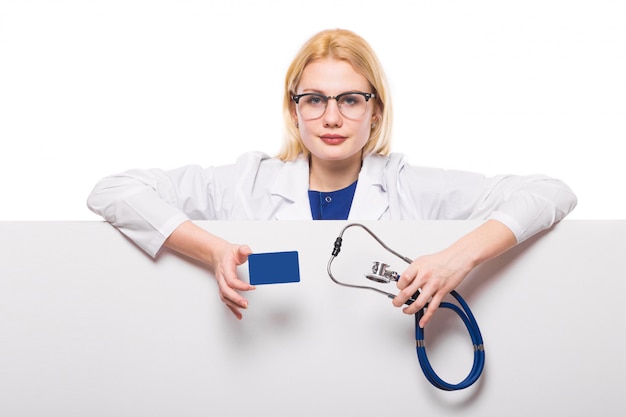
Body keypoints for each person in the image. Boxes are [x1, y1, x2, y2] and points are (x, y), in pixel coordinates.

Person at [87, 28, 577, 327]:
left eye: (350, 100)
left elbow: (550, 193)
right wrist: (214, 249)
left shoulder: (409, 185)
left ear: (375, 112)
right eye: (315, 99)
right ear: (294, 110)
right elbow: (114, 192)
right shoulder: (247, 183)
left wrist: (455, 259)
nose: (332, 117)